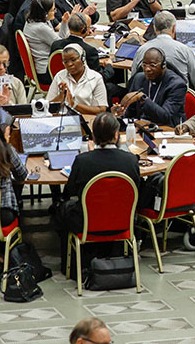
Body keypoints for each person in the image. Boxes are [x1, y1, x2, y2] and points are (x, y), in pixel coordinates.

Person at [53, 113, 141, 273]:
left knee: (60, 208)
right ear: (117, 135)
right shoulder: (131, 160)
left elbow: (69, 191)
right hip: (122, 219)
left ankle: (69, 265)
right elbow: (136, 190)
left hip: (88, 221)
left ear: (93, 136)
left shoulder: (83, 161)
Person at [111, 47, 187, 126]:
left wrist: (143, 98)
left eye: (152, 65)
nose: (147, 69)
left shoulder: (177, 85)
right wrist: (120, 113)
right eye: (144, 65)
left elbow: (165, 116)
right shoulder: (138, 79)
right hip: (141, 129)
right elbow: (131, 112)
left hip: (168, 131)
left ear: (163, 65)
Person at [131, 11, 195, 87]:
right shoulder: (184, 50)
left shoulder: (141, 50)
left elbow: (133, 80)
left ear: (154, 28)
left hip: (147, 96)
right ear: (174, 28)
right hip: (178, 96)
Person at [47, 44, 107, 115]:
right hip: (62, 119)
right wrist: (60, 98)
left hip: (86, 120)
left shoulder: (96, 78)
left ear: (83, 58)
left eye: (73, 60)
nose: (69, 64)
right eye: (65, 62)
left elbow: (101, 110)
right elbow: (46, 107)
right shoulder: (60, 76)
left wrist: (74, 104)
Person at [22, 0, 58, 85]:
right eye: (53, 10)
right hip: (46, 72)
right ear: (45, 13)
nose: (55, 12)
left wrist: (64, 22)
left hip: (42, 67)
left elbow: (57, 40)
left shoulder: (31, 21)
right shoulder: (41, 28)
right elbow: (60, 44)